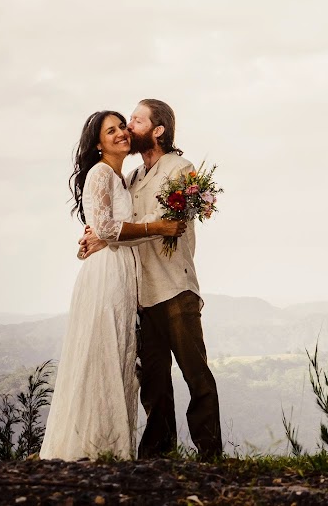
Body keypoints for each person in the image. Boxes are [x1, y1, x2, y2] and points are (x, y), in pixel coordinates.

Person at [79, 99, 223, 461]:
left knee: (195, 374)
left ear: (157, 131)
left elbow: (165, 226)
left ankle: (211, 454)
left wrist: (105, 235)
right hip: (140, 292)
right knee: (154, 383)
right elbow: (114, 220)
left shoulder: (180, 169)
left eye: (136, 121)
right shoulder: (131, 177)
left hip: (175, 288)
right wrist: (98, 234)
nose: (129, 127)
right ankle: (158, 455)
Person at [41, 111, 185, 461]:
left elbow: (108, 231)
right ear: (97, 143)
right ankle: (87, 446)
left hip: (122, 272)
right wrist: (158, 229)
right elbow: (107, 228)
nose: (122, 133)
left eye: (123, 126)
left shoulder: (124, 178)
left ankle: (110, 446)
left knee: (117, 351)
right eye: (112, 130)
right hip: (106, 276)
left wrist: (104, 239)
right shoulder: (100, 174)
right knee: (101, 351)